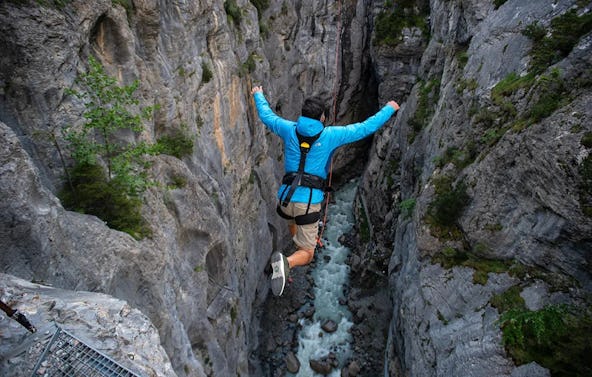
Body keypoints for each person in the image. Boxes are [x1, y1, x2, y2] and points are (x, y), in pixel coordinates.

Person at [251, 85, 399, 296]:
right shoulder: (331, 135)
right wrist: (389, 108)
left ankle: (295, 249)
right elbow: (365, 127)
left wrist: (258, 94)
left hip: (285, 200)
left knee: (297, 227)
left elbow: (267, 116)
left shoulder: (287, 128)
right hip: (307, 203)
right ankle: (286, 262)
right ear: (321, 117)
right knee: (308, 254)